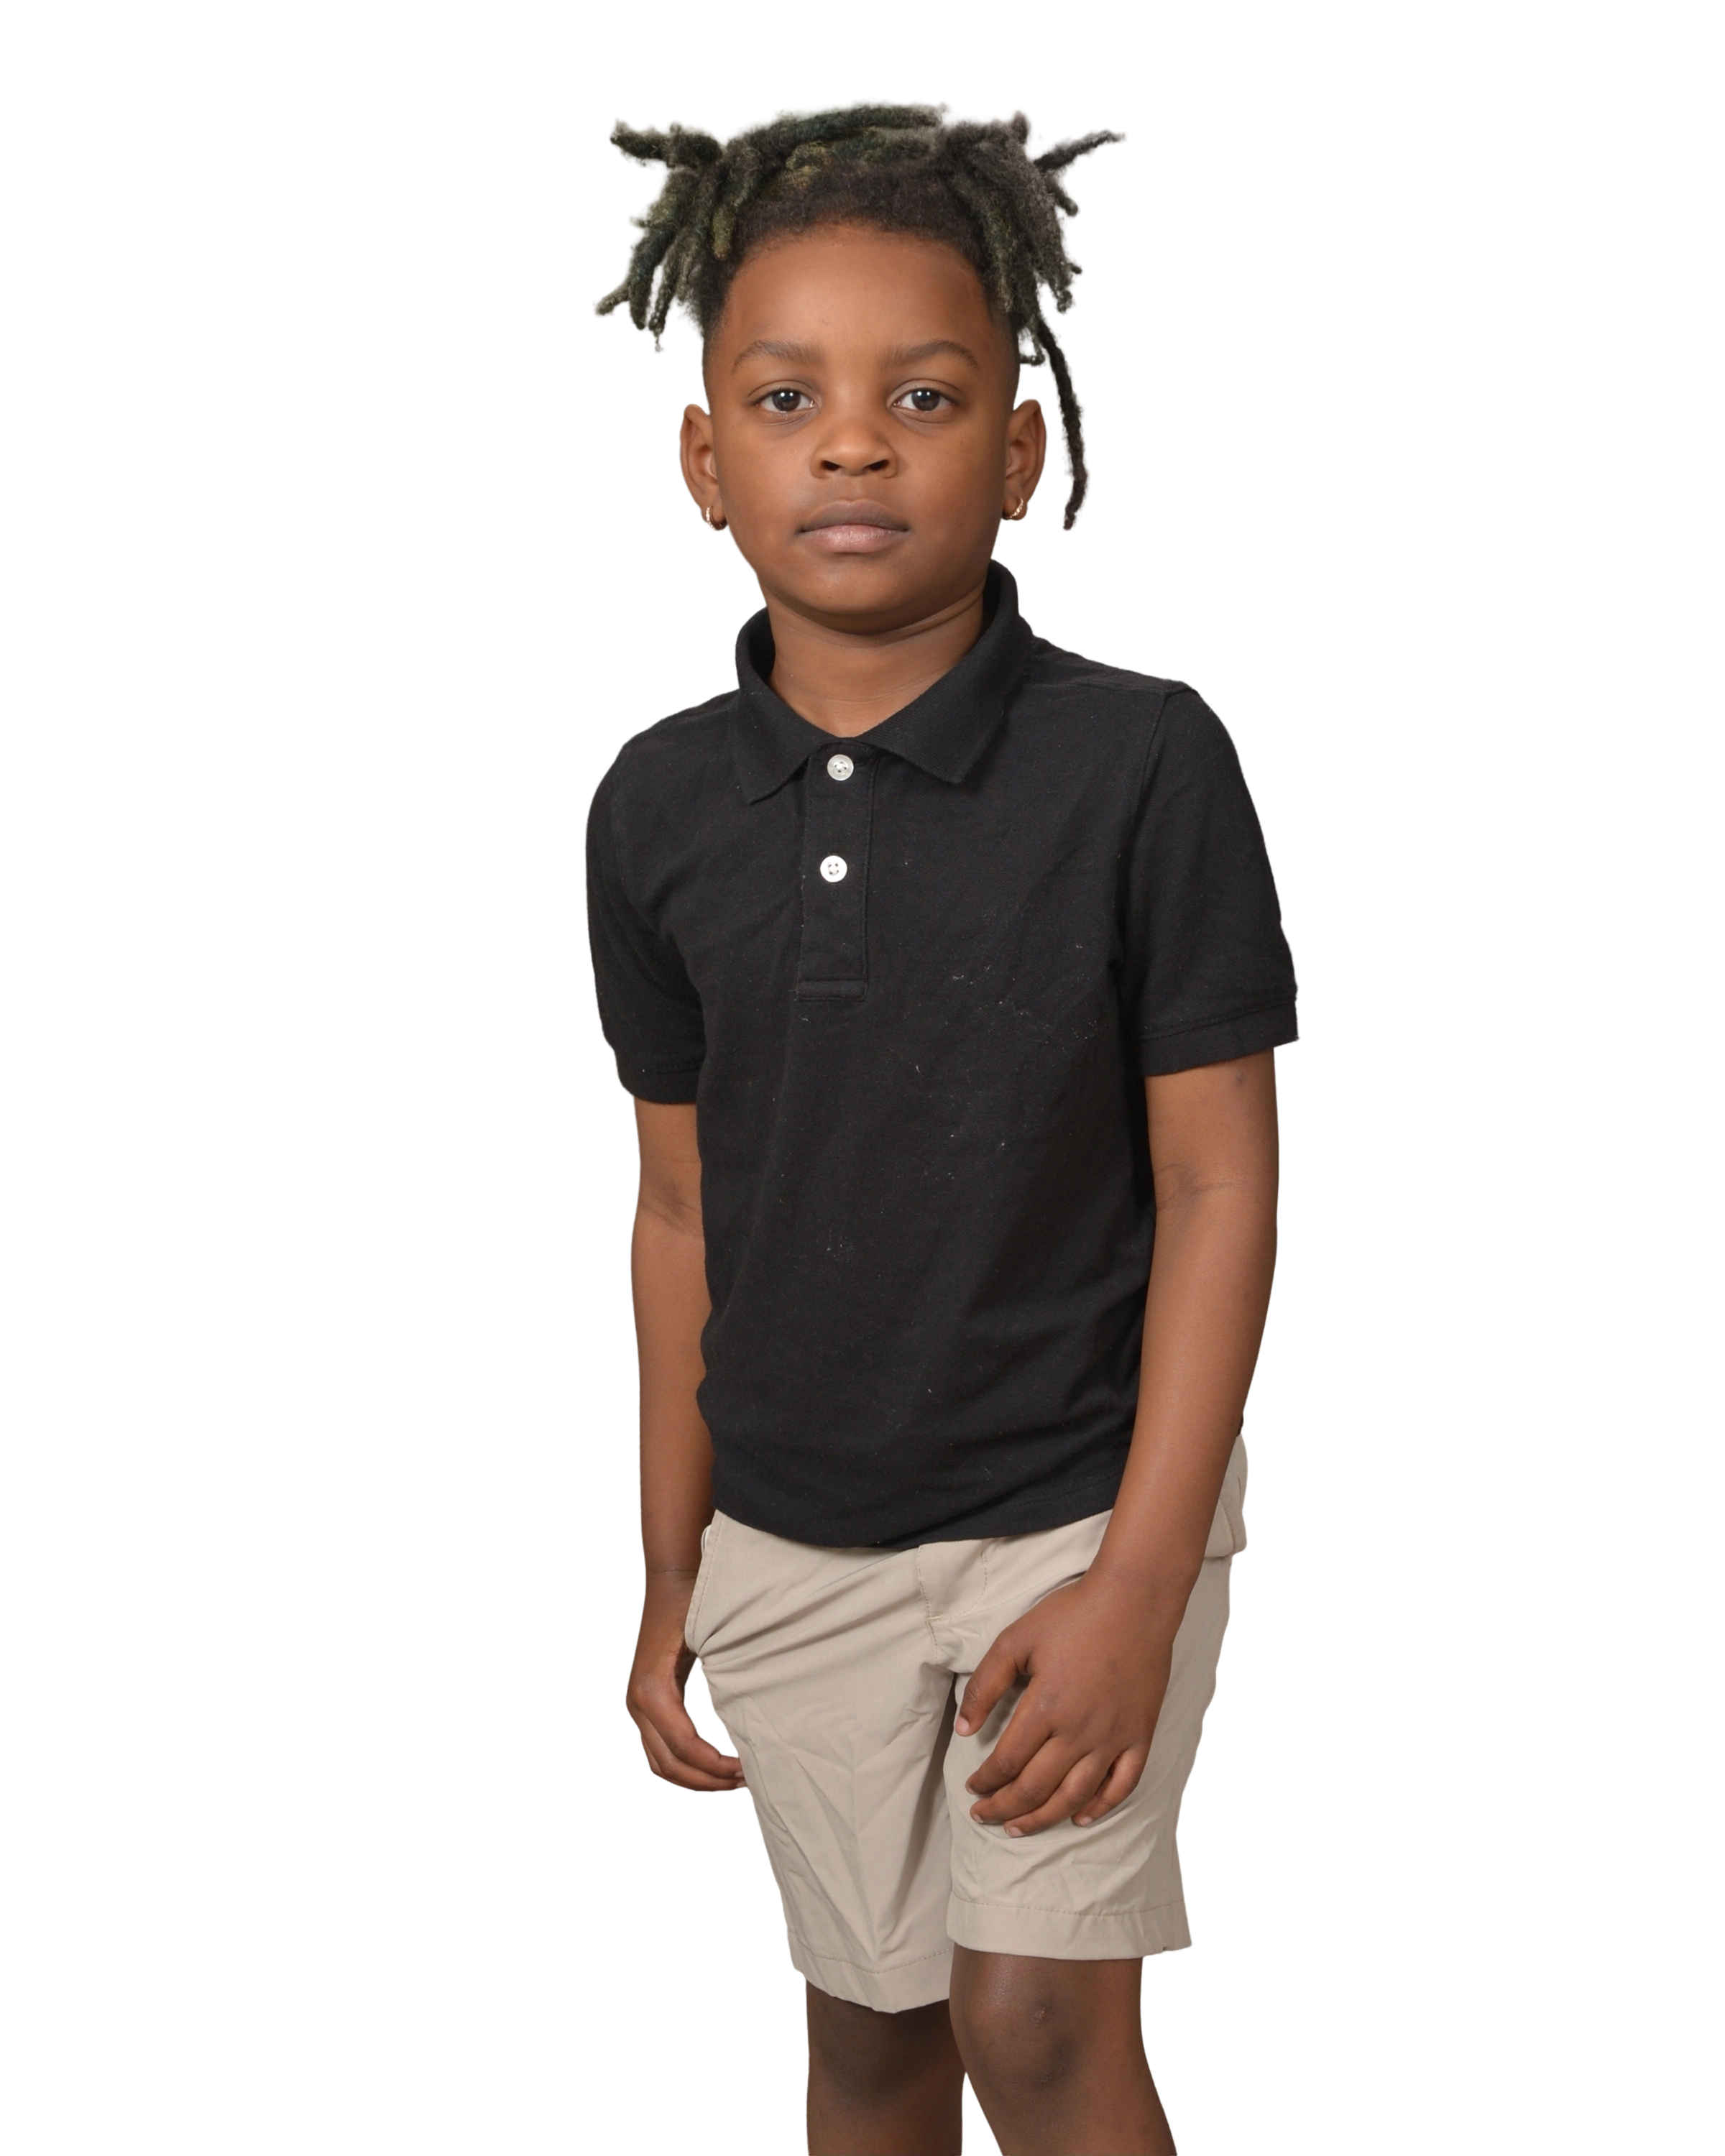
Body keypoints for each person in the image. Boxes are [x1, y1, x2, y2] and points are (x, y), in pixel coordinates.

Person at [585, 96, 1302, 2156]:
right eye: (786, 399)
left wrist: (1141, 1580)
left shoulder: (1143, 762)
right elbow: (677, 1210)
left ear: (1027, 448)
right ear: (705, 462)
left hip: (1076, 1506)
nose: (854, 445)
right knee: (872, 2036)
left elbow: (1219, 1177)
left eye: (923, 394)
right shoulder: (651, 806)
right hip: (789, 1534)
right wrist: (671, 1566)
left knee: (1039, 2024)